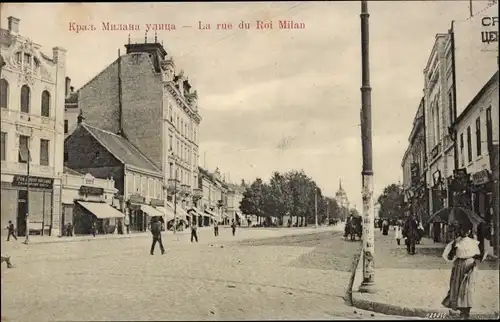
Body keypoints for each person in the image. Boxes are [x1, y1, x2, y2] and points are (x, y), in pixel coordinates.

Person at [441, 222, 484, 320]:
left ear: (470, 231)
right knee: (457, 288)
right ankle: (461, 311)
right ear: (460, 230)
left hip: (470, 266)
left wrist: (478, 259)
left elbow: (477, 255)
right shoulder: (456, 242)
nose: (466, 232)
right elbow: (449, 256)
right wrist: (453, 248)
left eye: (468, 230)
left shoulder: (473, 242)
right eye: (463, 230)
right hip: (458, 266)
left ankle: (466, 312)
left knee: (467, 288)